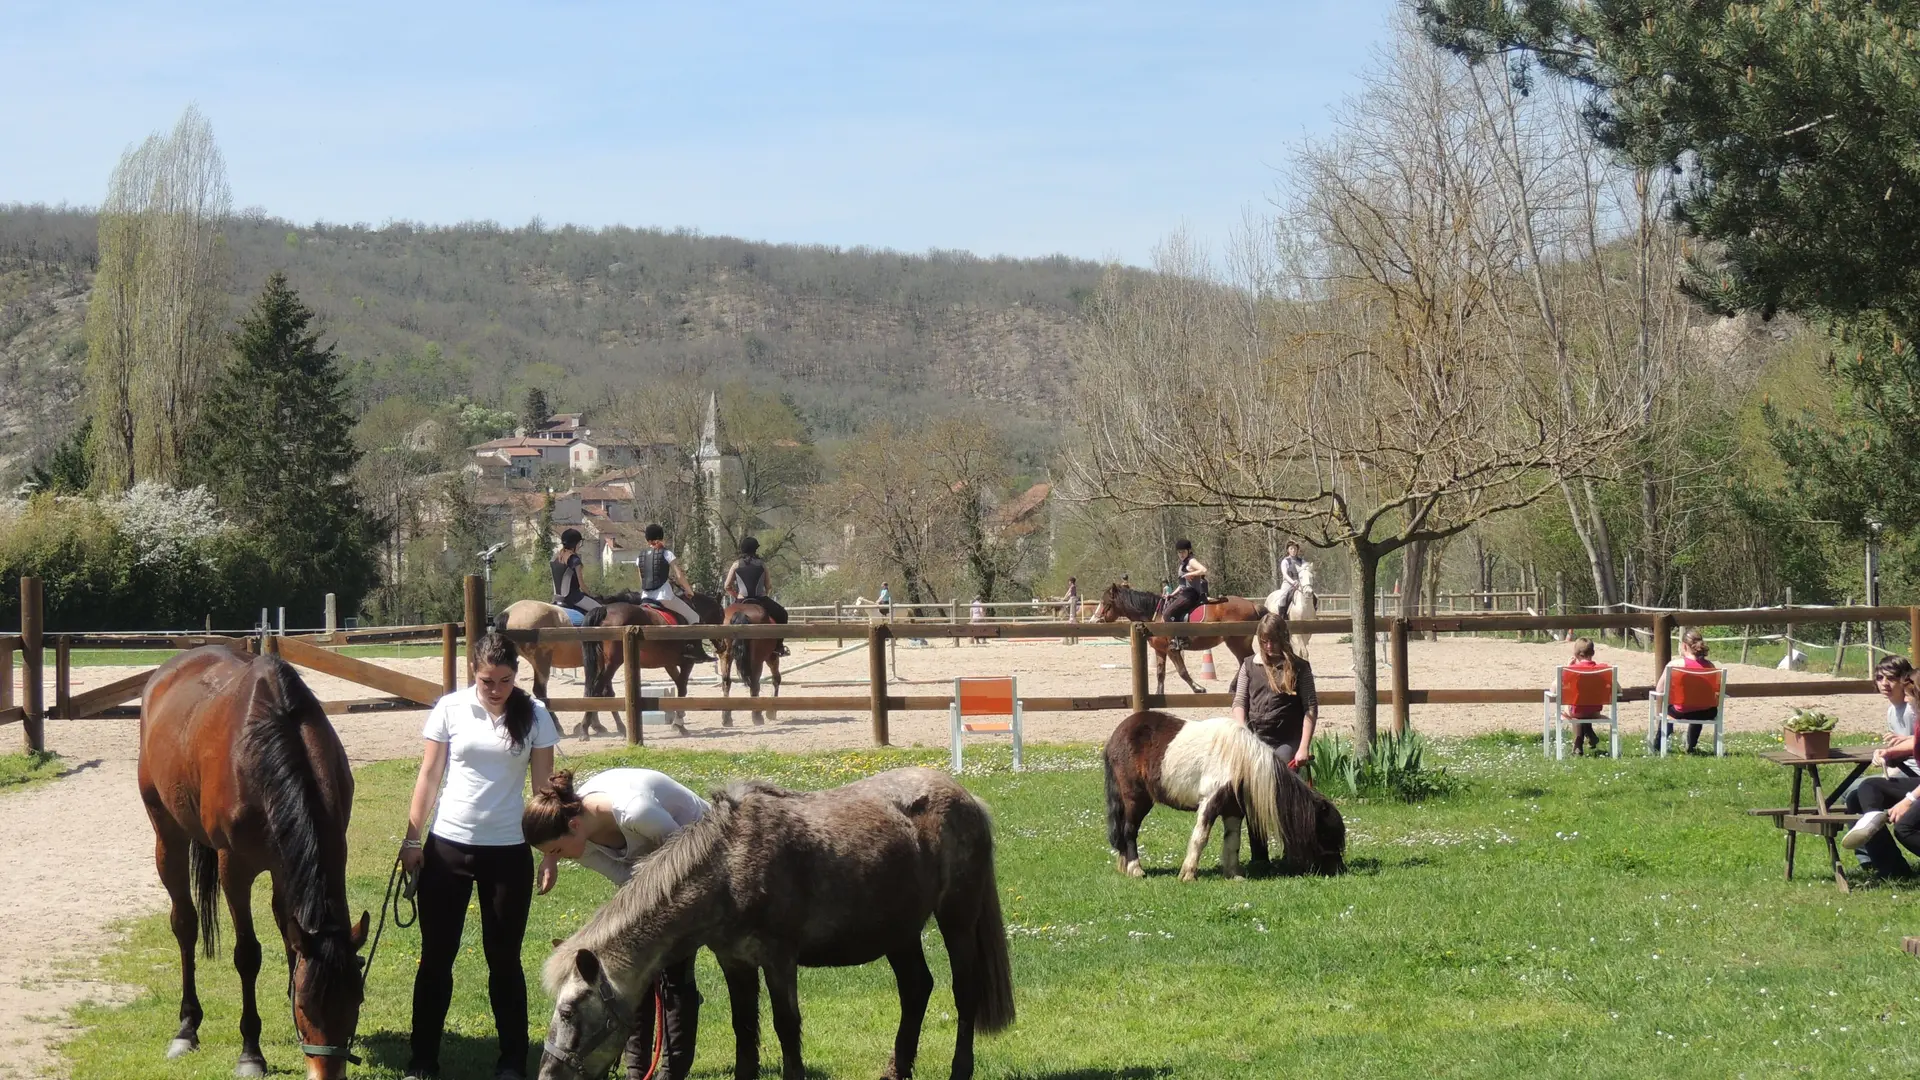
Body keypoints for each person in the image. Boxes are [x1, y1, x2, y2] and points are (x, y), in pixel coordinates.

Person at [401, 632, 560, 1080]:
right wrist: (413, 839)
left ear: (516, 675)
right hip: (448, 846)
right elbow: (429, 775)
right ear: (475, 671)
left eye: (506, 681)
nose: (496, 690)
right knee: (436, 956)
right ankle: (423, 1059)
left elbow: (544, 792)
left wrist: (550, 853)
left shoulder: (535, 717)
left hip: (508, 851)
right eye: (488, 681)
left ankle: (512, 1060)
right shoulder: (450, 708)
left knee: (504, 960)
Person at [524, 769, 709, 1080]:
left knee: (674, 972)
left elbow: (684, 864)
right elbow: (628, 882)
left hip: (699, 859)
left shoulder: (636, 810)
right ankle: (636, 1071)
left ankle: (672, 1072)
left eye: (556, 851)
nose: (560, 859)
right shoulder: (580, 841)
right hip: (651, 871)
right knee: (629, 973)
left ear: (574, 825)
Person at [1231, 611, 1317, 872]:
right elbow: (1239, 702)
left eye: (1274, 641)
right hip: (1255, 740)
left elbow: (1310, 708)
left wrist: (1303, 747)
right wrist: (1241, 731)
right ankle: (1259, 859)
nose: (1269, 647)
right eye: (1264, 641)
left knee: (1283, 794)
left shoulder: (1300, 667)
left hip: (1286, 741)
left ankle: (1294, 854)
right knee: (1253, 797)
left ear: (1283, 638)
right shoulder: (1248, 665)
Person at [637, 523, 712, 663]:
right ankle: (694, 651)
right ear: (661, 538)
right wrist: (689, 590)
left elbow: (641, 578)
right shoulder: (666, 553)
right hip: (664, 597)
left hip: (645, 597)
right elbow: (679, 575)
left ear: (647, 540)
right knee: (693, 616)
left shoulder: (640, 556)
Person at [1652, 628, 1717, 754]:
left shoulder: (1675, 664)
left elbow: (1659, 689)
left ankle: (1658, 744)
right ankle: (1691, 745)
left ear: (1684, 646)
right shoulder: (1710, 666)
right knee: (1699, 704)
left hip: (1682, 711)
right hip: (1707, 712)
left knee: (1669, 707)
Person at [722, 536, 789, 657]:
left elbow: (727, 586)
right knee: (783, 614)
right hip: (760, 599)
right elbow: (768, 585)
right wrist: (766, 595)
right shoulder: (762, 564)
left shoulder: (736, 565)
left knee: (723, 617)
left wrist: (736, 596)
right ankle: (779, 646)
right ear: (755, 550)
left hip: (742, 599)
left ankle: (722, 645)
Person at [1563, 637, 1609, 757]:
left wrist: (1567, 667)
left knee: (1572, 709)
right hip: (1595, 711)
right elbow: (1617, 688)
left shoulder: (1573, 670)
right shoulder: (1602, 669)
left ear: (1575, 654)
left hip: (1577, 712)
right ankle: (1591, 736)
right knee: (1585, 707)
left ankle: (1578, 744)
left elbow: (1560, 684)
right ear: (1593, 653)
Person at [550, 528, 603, 627]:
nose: (579, 546)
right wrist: (591, 595)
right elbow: (582, 585)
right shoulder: (574, 559)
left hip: (556, 598)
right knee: (602, 612)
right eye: (579, 543)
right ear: (575, 544)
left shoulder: (555, 557)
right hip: (573, 598)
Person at [1163, 539, 1209, 650]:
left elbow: (1204, 570)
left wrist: (1191, 573)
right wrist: (1171, 594)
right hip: (1184, 593)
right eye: (1179, 552)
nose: (1181, 554)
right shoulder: (1183, 564)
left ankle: (1181, 639)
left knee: (1167, 613)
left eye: (1183, 552)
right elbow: (1182, 585)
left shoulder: (1191, 561)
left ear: (1189, 551)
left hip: (1192, 594)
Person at [1273, 541, 1308, 616]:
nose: (1293, 550)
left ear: (1297, 550)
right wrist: (1292, 582)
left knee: (1313, 595)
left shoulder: (1302, 561)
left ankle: (1313, 613)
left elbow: (1306, 570)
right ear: (1288, 550)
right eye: (1291, 549)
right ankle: (1282, 616)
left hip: (1300, 584)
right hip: (1288, 583)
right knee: (1283, 596)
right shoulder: (1285, 561)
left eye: (1295, 549)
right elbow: (1285, 574)